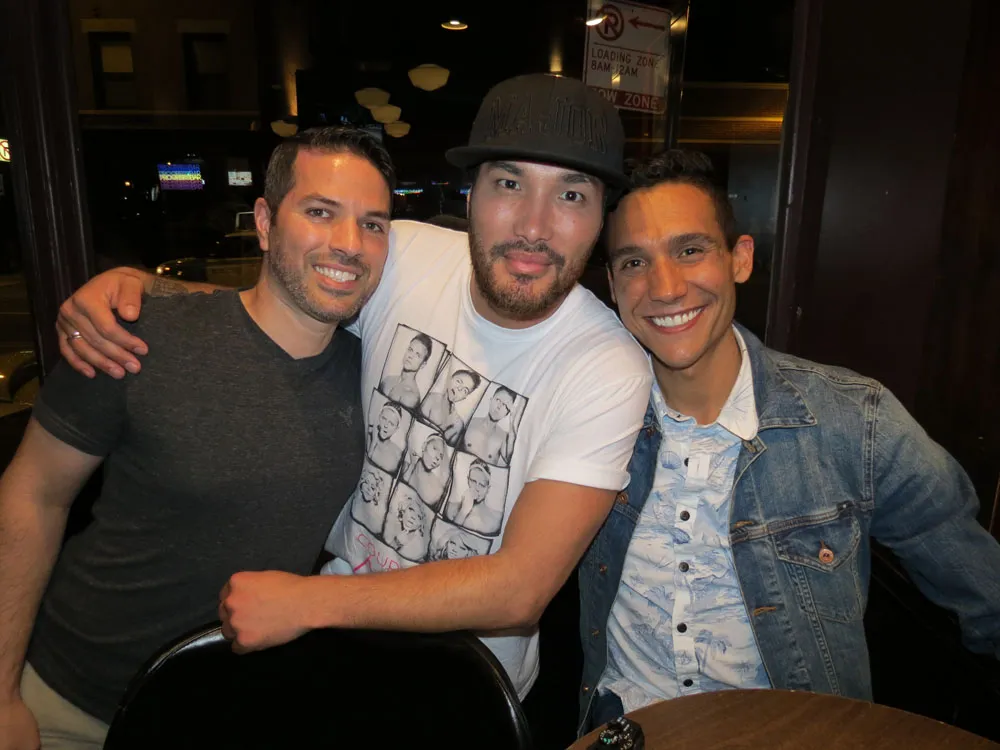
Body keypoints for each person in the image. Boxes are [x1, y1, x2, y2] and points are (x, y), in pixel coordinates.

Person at [53, 73, 652, 704]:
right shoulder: (408, 256)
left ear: (600, 220)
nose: (534, 226)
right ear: (472, 194)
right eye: (509, 184)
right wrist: (143, 289)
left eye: (572, 195)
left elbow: (518, 590)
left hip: (463, 686)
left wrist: (308, 601)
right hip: (323, 656)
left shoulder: (607, 366)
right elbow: (287, 302)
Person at [577, 149, 1000, 732]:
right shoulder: (589, 419)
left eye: (690, 250)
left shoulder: (855, 421)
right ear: (612, 284)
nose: (665, 287)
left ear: (740, 259)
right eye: (634, 262)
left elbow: (984, 590)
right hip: (625, 729)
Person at [0, 126, 394, 750]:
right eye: (320, 212)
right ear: (264, 223)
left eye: (372, 224)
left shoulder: (374, 374)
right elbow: (32, 494)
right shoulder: (137, 337)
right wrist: (1, 692)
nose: (349, 243)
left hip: (234, 712)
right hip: (75, 702)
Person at [420, 369, 481, 444]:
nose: (459, 388)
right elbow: (419, 430)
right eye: (458, 381)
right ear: (449, 380)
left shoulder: (458, 424)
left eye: (465, 390)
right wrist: (445, 425)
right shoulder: (431, 399)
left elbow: (447, 447)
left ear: (464, 397)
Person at [463, 386, 517, 466]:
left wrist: (513, 421)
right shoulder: (470, 423)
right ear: (491, 400)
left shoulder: (503, 437)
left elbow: (510, 461)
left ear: (507, 413)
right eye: (498, 400)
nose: (499, 407)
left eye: (505, 405)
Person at [380, 332, 433, 408]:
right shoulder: (387, 379)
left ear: (423, 364)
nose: (410, 356)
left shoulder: (412, 397)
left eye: (417, 355)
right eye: (410, 350)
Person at [403, 433, 449, 507]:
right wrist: (412, 465)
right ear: (424, 445)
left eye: (441, 456)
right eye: (435, 449)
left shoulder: (438, 488)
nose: (437, 457)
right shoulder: (405, 467)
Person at [367, 402, 405, 472]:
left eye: (391, 424)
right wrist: (373, 442)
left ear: (396, 429)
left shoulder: (398, 454)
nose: (386, 425)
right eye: (384, 419)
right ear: (379, 417)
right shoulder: (367, 437)